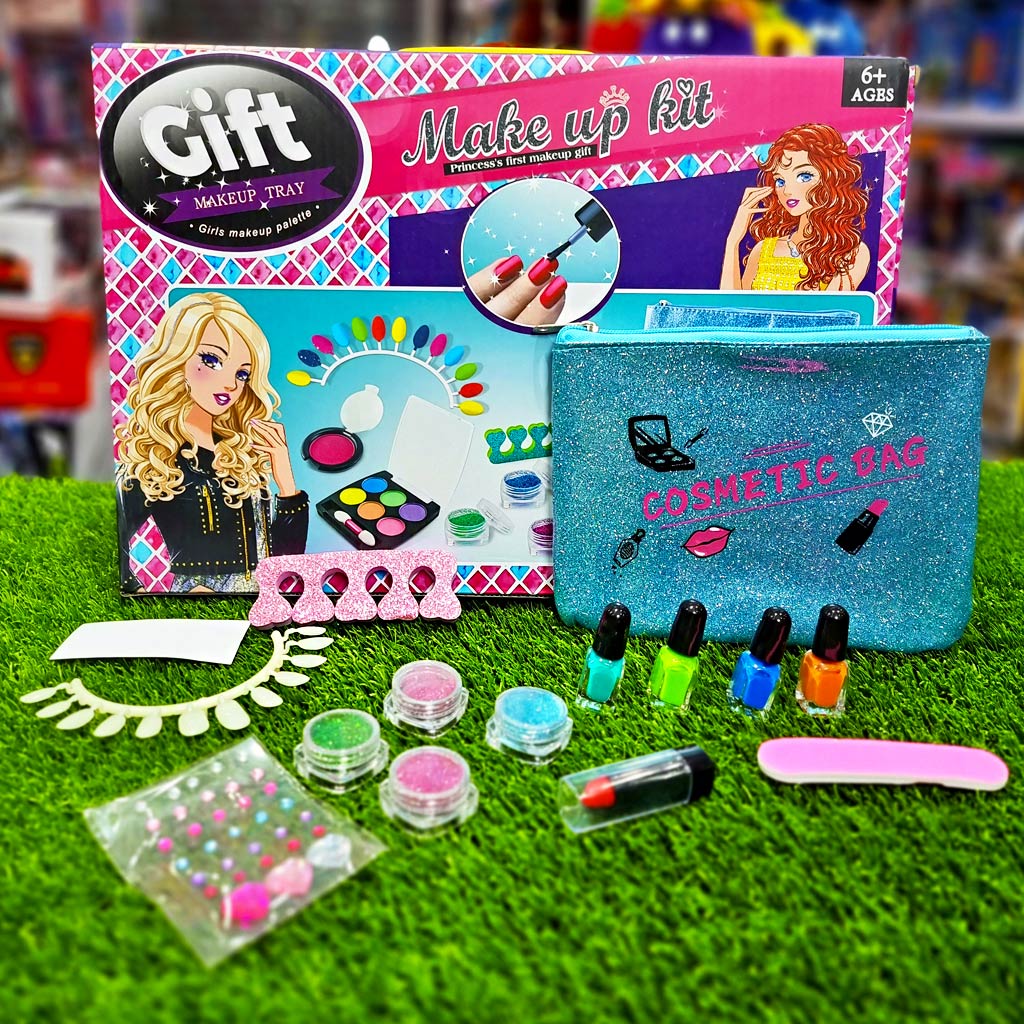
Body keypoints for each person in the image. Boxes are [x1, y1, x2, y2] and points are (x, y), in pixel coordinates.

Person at [115, 292, 307, 593]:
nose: (231, 383)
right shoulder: (157, 455)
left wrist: (285, 481)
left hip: (263, 601)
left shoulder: (240, 453)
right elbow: (109, 540)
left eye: (242, 374)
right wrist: (144, 595)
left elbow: (286, 561)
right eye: (212, 360)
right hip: (200, 609)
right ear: (176, 360)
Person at [720, 123, 870, 292]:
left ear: (832, 178)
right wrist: (733, 241)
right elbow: (731, 306)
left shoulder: (850, 254)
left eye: (804, 176)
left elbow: (827, 310)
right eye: (780, 181)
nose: (787, 191)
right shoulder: (762, 250)